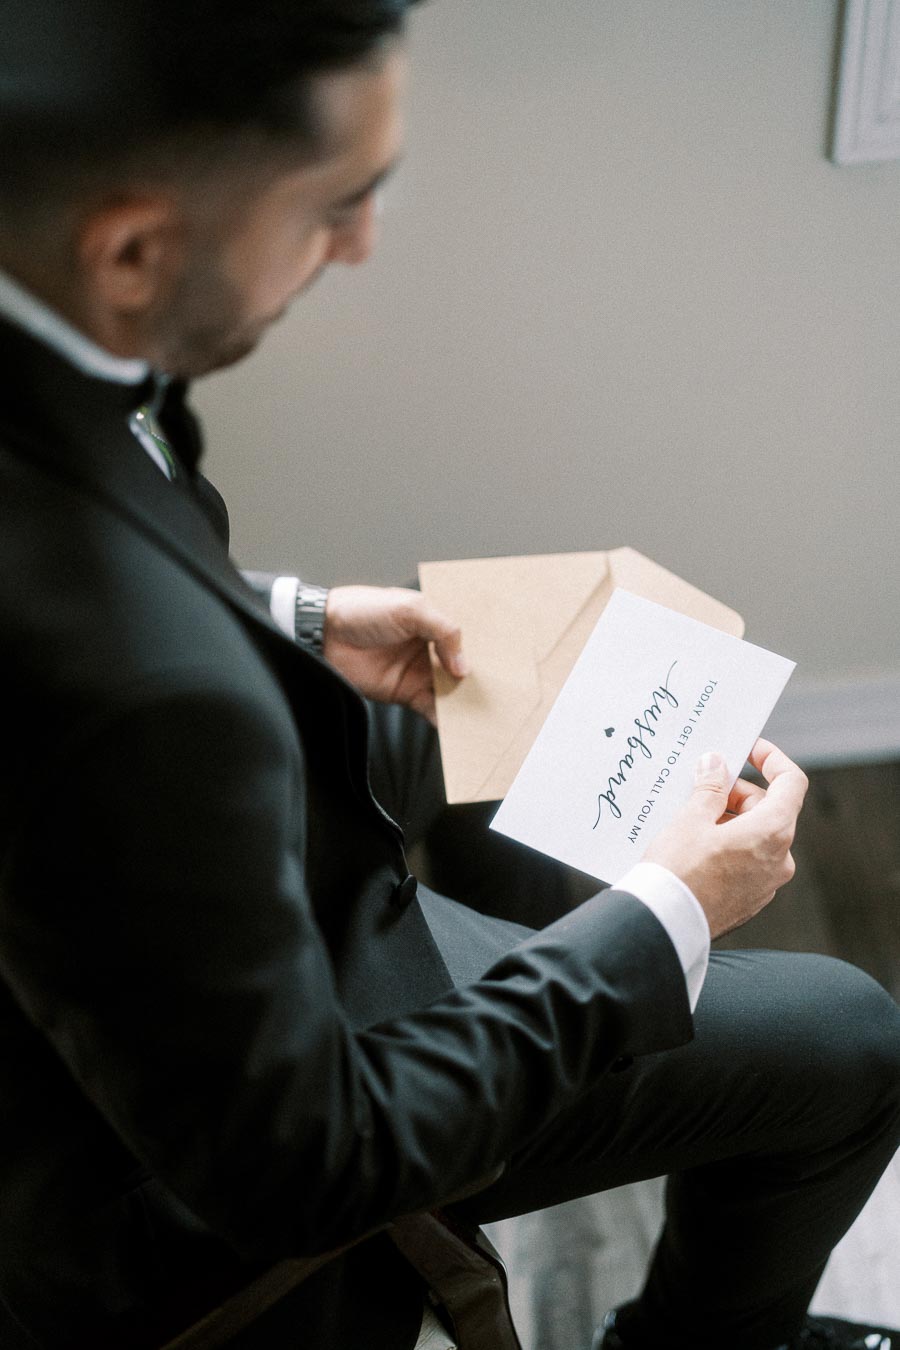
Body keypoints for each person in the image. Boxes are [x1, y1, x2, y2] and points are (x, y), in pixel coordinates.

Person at [0, 4, 898, 1348]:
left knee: (506, 715)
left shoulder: (45, 347)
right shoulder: (150, 703)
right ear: (130, 250)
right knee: (852, 1038)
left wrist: (290, 619)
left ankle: (571, 990)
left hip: (163, 879)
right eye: (340, 203)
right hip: (181, 1147)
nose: (360, 245)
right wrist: (669, 914)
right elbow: (303, 1164)